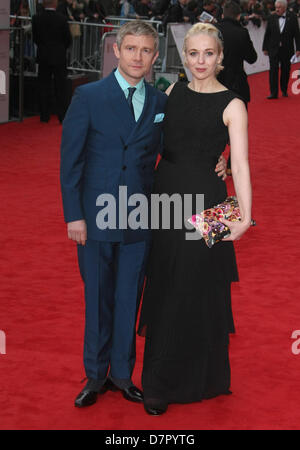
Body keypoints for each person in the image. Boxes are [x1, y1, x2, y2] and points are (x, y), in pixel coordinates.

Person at [60, 20, 227, 408]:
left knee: (128, 298)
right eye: (131, 48)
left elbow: (186, 141)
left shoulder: (161, 101)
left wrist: (219, 159)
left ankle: (122, 374)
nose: (138, 56)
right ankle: (95, 376)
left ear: (156, 56)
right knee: (98, 298)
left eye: (146, 50)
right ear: (116, 51)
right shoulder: (88, 96)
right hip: (97, 216)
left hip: (141, 217)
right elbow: (70, 162)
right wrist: (74, 216)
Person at [138, 22, 252, 415]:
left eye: (208, 54)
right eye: (193, 53)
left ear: (220, 58)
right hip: (165, 196)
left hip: (210, 201)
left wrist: (245, 215)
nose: (200, 61)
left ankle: (206, 375)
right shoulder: (173, 91)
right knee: (166, 283)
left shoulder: (234, 104)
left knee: (203, 284)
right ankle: (158, 381)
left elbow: (239, 162)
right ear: (183, 56)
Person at [32, 0, 72, 123]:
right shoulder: (62, 19)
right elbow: (68, 39)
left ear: (44, 4)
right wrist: (60, 49)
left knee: (44, 86)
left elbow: (36, 38)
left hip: (43, 56)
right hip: (59, 57)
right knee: (61, 87)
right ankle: (62, 116)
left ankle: (44, 116)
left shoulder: (36, 18)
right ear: (55, 4)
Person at [217, 1, 257, 105]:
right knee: (239, 118)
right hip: (236, 83)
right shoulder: (242, 32)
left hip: (215, 81)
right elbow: (252, 58)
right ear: (239, 16)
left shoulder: (213, 30)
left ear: (223, 14)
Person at [263, 0, 300, 99]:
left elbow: (297, 34)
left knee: (285, 70)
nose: (277, 9)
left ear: (285, 7)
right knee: (273, 71)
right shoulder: (271, 17)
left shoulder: (292, 17)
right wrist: (265, 47)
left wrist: (298, 48)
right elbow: (267, 33)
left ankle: (284, 90)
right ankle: (273, 93)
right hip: (273, 49)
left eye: (279, 7)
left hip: (287, 49)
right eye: (276, 7)